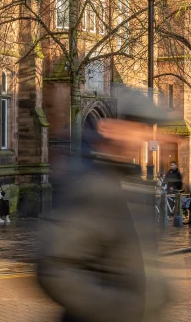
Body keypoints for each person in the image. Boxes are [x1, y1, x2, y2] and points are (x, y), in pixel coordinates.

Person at [37, 89, 171, 322]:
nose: (147, 136)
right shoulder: (90, 186)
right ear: (110, 127)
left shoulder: (128, 185)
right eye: (138, 126)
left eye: (148, 128)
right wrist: (123, 311)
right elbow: (56, 270)